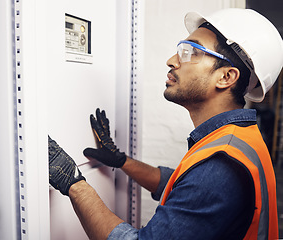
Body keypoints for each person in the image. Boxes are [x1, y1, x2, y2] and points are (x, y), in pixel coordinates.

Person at [48, 8, 283, 239]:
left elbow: (202, 185)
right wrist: (122, 161)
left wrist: (74, 183)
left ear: (225, 77)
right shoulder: (237, 139)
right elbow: (182, 186)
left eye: (190, 51)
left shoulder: (221, 163)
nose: (172, 61)